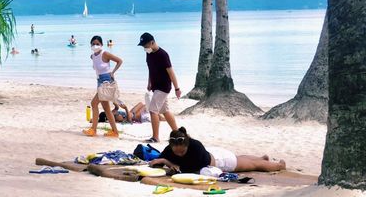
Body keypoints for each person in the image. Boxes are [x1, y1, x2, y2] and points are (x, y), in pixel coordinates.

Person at [149, 127, 286, 174]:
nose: (178, 154)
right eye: (176, 152)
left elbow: (192, 169)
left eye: (182, 152)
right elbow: (157, 163)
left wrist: (168, 161)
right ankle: (262, 158)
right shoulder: (170, 148)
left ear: (187, 144)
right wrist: (161, 160)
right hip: (212, 152)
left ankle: (279, 165)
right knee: (240, 158)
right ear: (171, 145)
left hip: (221, 161)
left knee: (252, 165)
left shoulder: (195, 146)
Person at [138, 32, 181, 143]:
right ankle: (177, 134)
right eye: (143, 46)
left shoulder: (163, 55)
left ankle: (155, 137)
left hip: (163, 86)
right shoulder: (149, 53)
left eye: (146, 46)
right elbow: (151, 69)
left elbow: (171, 72)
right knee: (165, 111)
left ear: (152, 42)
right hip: (155, 86)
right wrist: (149, 82)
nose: (144, 48)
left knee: (153, 110)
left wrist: (177, 88)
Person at [82, 35, 123, 138]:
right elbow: (95, 63)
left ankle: (93, 130)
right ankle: (115, 132)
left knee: (94, 103)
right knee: (107, 108)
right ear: (90, 45)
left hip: (106, 81)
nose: (95, 45)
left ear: (101, 45)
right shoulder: (93, 56)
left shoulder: (105, 53)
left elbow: (119, 61)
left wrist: (113, 72)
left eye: (97, 44)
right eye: (93, 44)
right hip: (99, 81)